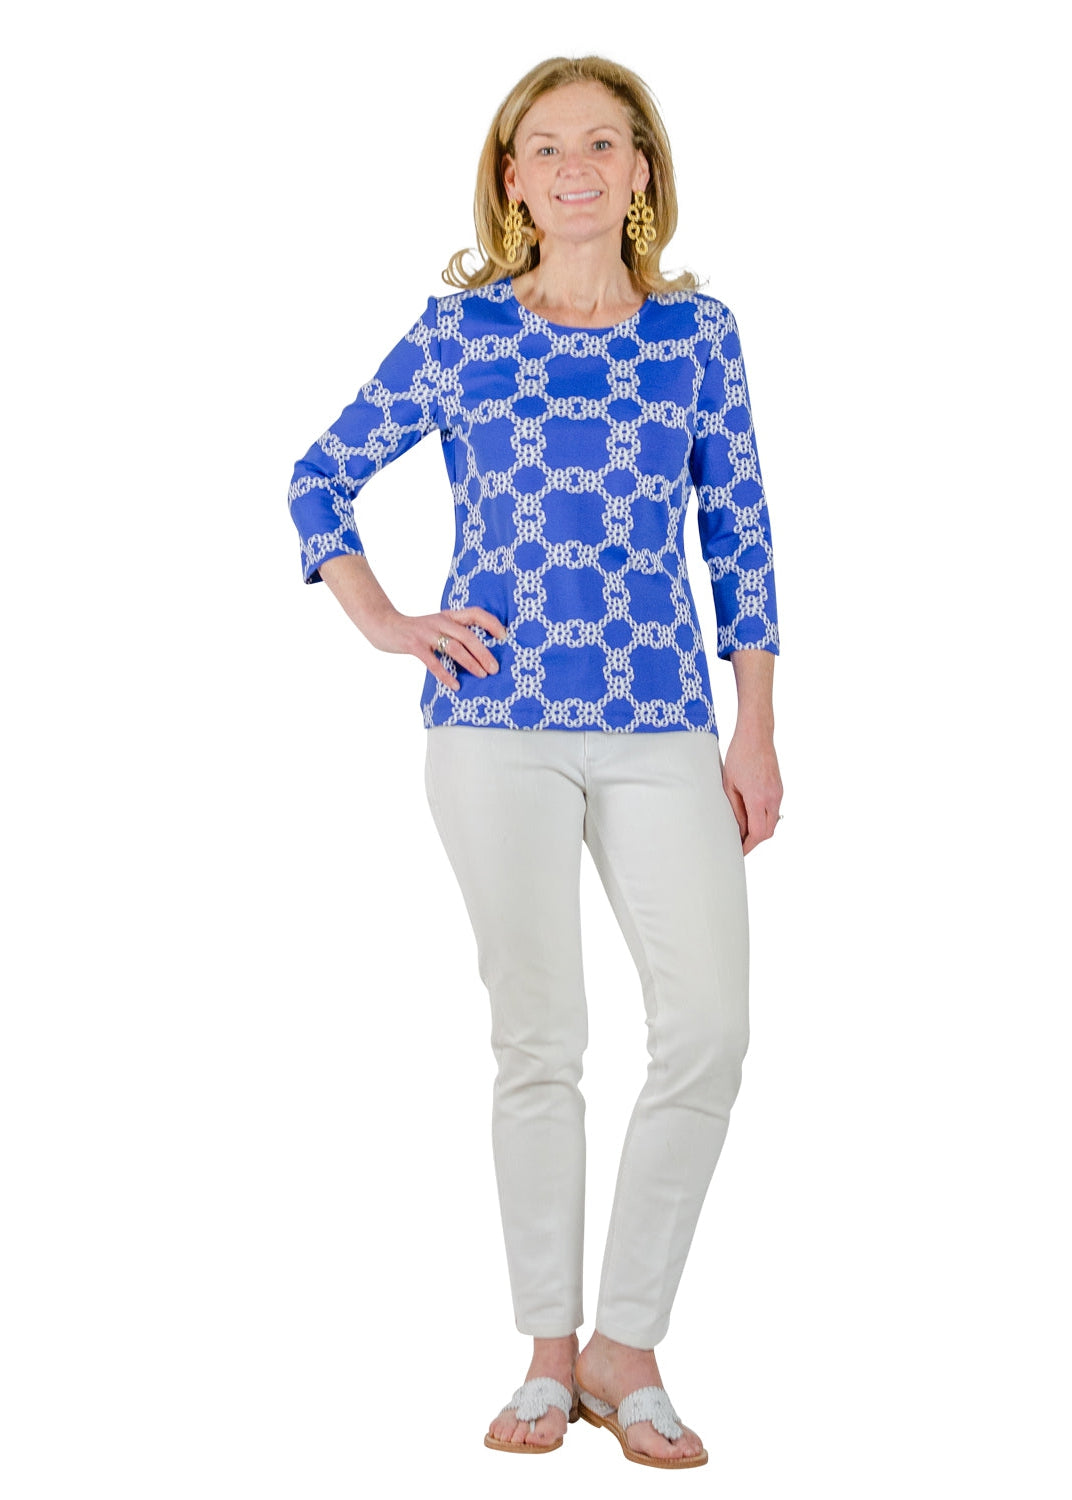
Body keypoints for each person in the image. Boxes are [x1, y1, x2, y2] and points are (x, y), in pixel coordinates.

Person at [286, 54, 782, 1470]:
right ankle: (549, 1354)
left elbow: (741, 532)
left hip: (663, 722)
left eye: (604, 143)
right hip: (493, 724)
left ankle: (629, 1345)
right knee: (539, 1038)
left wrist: (755, 725)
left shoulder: (698, 335)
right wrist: (387, 621)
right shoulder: (461, 332)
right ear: (511, 176)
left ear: (641, 172)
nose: (575, 165)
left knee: (708, 1029)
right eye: (547, 145)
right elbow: (320, 473)